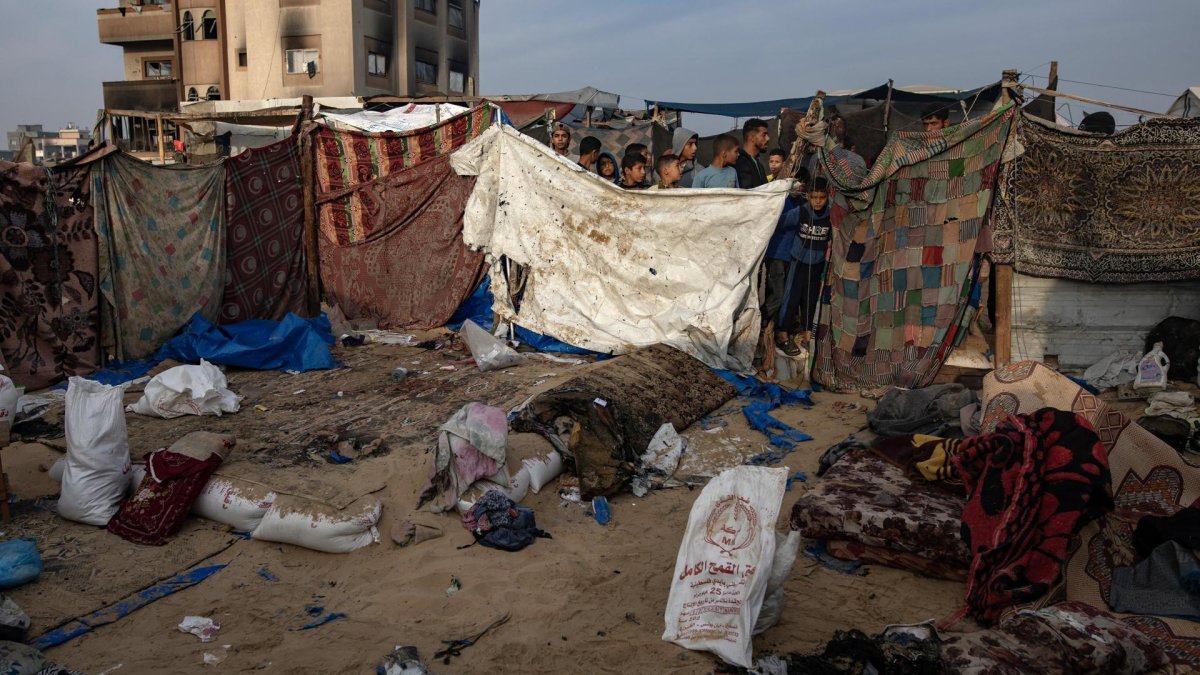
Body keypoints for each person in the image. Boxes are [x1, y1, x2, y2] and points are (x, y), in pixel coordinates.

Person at [779, 177, 832, 356]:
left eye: (821, 197)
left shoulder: (831, 214)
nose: (817, 201)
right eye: (813, 197)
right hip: (798, 262)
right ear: (808, 196)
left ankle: (808, 335)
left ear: (827, 196)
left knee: (811, 299)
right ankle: (782, 334)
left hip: (818, 265)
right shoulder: (800, 212)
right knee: (791, 298)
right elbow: (781, 222)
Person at [734, 118, 769, 189]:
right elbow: (747, 193)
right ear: (751, 138)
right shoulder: (740, 162)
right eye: (764, 135)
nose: (768, 138)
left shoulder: (758, 163)